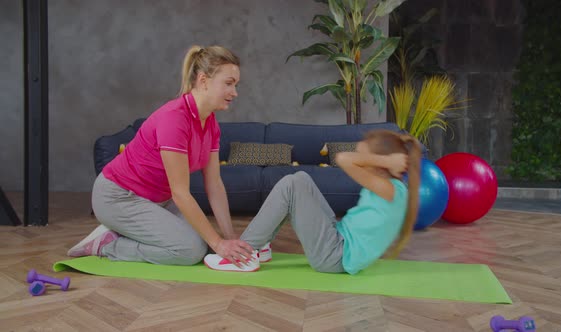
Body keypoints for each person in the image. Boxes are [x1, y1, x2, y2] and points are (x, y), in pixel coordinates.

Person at [67, 45, 255, 267]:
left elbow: (214, 184)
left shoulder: (211, 123)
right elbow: (180, 193)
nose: (235, 92)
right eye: (229, 83)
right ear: (203, 80)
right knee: (190, 251)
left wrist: (228, 237)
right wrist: (219, 244)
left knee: (206, 243)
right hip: (118, 198)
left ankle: (127, 233)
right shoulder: (175, 119)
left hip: (158, 201)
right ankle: (107, 245)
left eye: (236, 84)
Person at [203, 130, 421, 274]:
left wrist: (384, 160)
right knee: (300, 179)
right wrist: (382, 161)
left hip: (335, 256)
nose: (361, 162)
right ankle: (260, 248)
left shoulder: (390, 190)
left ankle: (242, 255)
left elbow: (342, 159)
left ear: (380, 163)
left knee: (292, 185)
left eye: (364, 158)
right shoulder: (393, 189)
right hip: (338, 240)